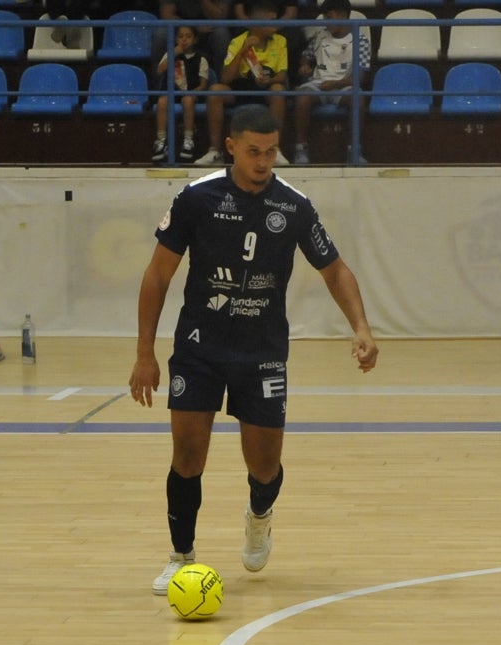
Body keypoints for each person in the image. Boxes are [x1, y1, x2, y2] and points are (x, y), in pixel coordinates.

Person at [128, 104, 378, 596]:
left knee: (263, 465)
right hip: (199, 347)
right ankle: (181, 556)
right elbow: (158, 275)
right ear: (232, 148)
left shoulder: (295, 205)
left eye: (270, 152)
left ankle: (259, 513)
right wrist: (144, 353)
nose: (263, 162)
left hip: (261, 351)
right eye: (253, 152)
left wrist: (361, 326)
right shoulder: (196, 198)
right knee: (187, 454)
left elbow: (335, 269)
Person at [194, 0, 290, 167]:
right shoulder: (238, 41)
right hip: (241, 86)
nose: (277, 24)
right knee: (215, 91)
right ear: (257, 24)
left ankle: (276, 149)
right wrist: (243, 50)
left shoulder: (280, 40)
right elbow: (225, 78)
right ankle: (215, 151)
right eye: (271, 21)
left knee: (278, 90)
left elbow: (282, 75)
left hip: (266, 87)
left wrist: (271, 80)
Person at [291, 0, 369, 165]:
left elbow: (359, 78)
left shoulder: (360, 40)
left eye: (329, 16)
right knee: (302, 98)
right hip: (318, 84)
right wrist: (304, 65)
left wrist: (335, 84)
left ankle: (353, 150)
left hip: (343, 86)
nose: (326, 21)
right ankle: (301, 150)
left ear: (343, 16)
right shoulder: (320, 35)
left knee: (358, 99)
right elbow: (307, 55)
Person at [151, 24, 211, 164]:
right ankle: (161, 141)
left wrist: (192, 92)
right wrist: (174, 53)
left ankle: (188, 140)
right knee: (162, 101)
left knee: (188, 100)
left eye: (188, 36)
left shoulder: (201, 59)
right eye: (180, 36)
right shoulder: (171, 54)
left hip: (191, 94)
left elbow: (203, 85)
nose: (184, 40)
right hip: (172, 93)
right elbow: (159, 71)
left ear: (195, 40)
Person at [154, 0, 233, 80]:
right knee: (161, 34)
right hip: (181, 29)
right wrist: (194, 27)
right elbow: (167, 15)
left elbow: (220, 17)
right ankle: (159, 86)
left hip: (208, 31)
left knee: (221, 33)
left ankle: (220, 84)